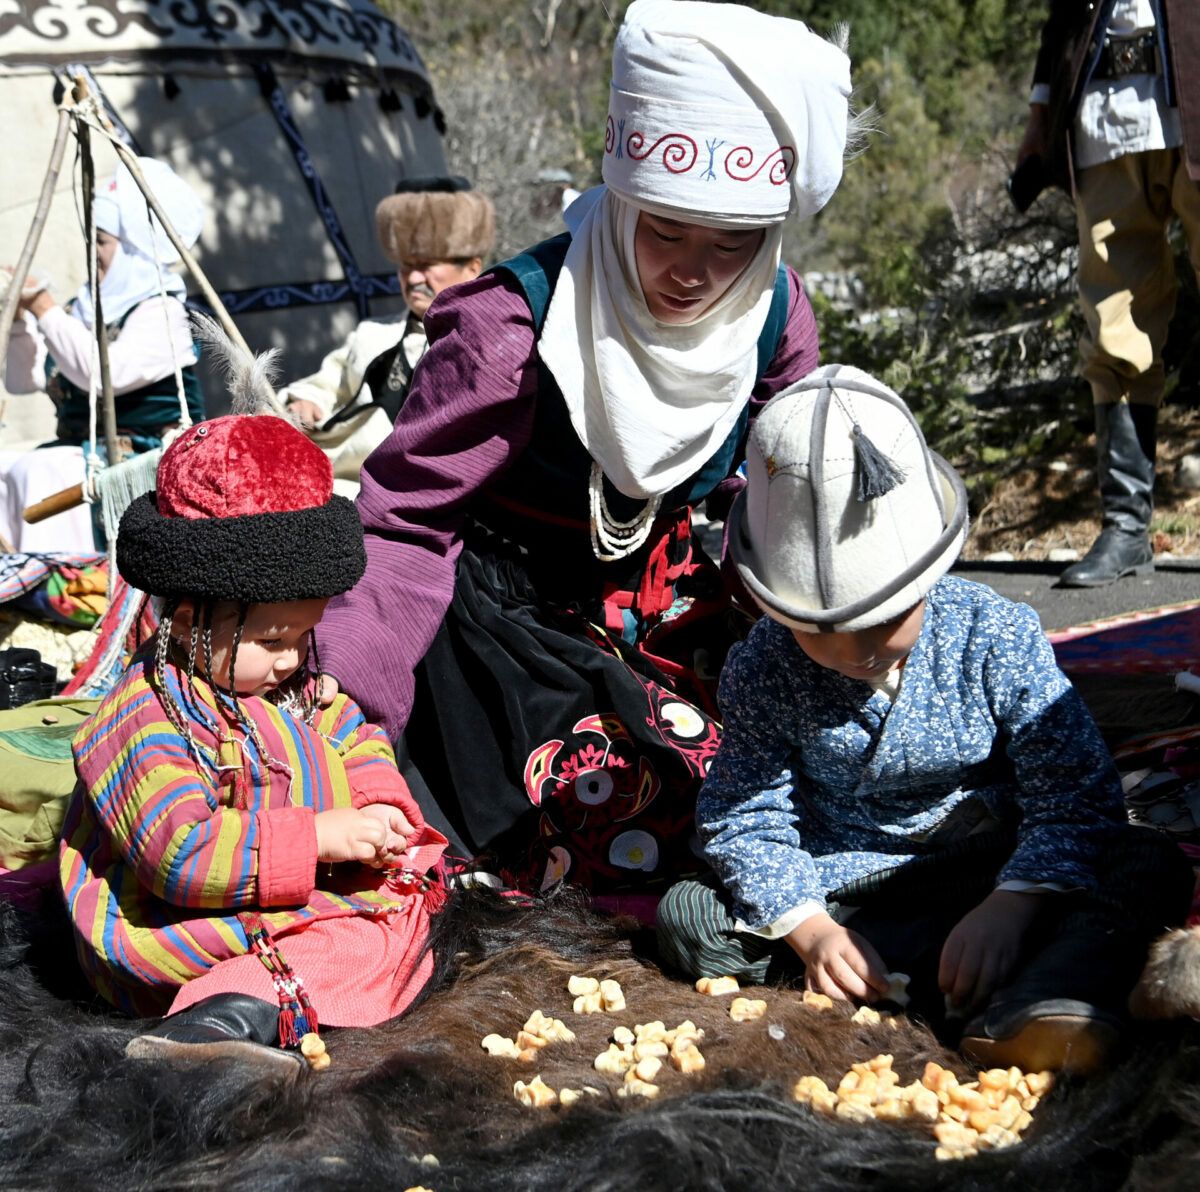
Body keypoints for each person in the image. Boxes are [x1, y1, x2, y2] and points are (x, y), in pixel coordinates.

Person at [312, 0, 855, 901]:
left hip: (676, 603)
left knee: (802, 784)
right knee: (609, 814)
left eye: (731, 244)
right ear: (619, 201)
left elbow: (782, 501)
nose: (692, 271)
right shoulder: (511, 331)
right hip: (509, 621)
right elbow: (407, 525)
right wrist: (349, 707)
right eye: (665, 230)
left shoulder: (775, 316)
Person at [655, 364, 1193, 1073]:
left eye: (885, 617)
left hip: (991, 869)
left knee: (1143, 861)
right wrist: (811, 932)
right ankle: (929, 986)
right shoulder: (764, 665)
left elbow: (1071, 792)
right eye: (822, 628)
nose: (858, 649)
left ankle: (1040, 998)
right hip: (847, 891)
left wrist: (1014, 903)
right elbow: (744, 816)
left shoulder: (996, 635)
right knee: (686, 917)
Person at [58, 368, 447, 1070]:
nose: (292, 658)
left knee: (407, 921)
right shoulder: (141, 714)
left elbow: (356, 738)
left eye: (304, 636)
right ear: (188, 622)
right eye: (272, 640)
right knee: (354, 942)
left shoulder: (298, 689)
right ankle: (212, 1030)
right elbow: (179, 851)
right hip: (184, 925)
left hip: (292, 907)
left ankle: (263, 1012)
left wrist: (380, 809)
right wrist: (324, 836)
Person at [1015, 1, 1198, 587]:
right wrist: (1039, 115)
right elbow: (1061, 15)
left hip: (1192, 99)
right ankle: (1126, 529)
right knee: (1115, 328)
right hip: (1105, 115)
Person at [1, 157, 207, 551]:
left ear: (132, 248)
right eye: (91, 240)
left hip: (148, 456)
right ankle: (14, 581)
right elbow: (24, 381)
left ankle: (64, 582)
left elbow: (100, 378)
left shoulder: (161, 311)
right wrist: (19, 319)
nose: (92, 253)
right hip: (84, 452)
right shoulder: (85, 310)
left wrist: (43, 307)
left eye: (102, 241)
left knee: (40, 469)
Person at [280, 176, 495, 489]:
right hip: (345, 487)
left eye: (428, 264)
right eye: (407, 265)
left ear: (473, 267)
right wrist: (305, 402)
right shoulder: (372, 334)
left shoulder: (491, 343)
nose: (414, 277)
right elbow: (324, 385)